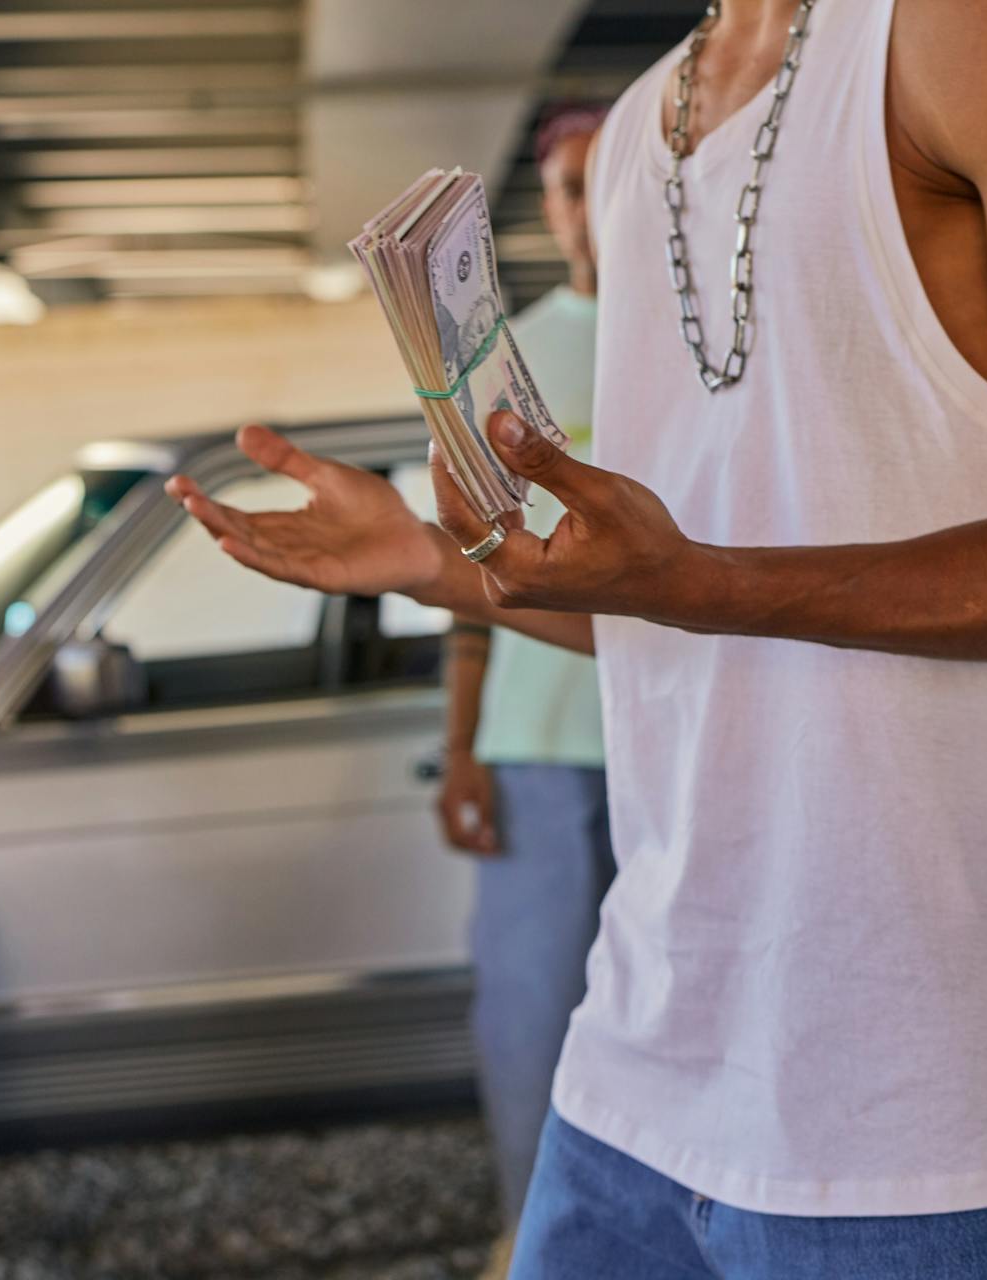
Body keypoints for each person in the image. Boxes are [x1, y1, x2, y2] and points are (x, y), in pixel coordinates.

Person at [168, 0, 987, 1274]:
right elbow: (672, 611)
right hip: (643, 1071)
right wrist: (427, 556)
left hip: (958, 1115)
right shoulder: (637, 129)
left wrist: (709, 583)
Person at [433, 105, 614, 1250]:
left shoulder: (714, 343)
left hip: (685, 735)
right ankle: (535, 1247)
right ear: (546, 208)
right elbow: (465, 570)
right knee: (532, 1023)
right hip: (538, 745)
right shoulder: (504, 357)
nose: (589, 208)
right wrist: (460, 745)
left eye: (609, 182)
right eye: (569, 187)